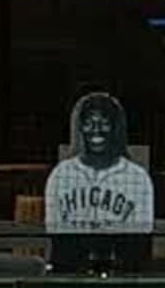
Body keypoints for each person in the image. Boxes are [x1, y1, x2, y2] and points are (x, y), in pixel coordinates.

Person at [43, 91, 155, 235]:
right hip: (72, 255)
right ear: (80, 128)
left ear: (115, 128)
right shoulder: (61, 175)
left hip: (120, 255)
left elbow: (142, 236)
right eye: (89, 123)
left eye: (105, 123)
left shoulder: (137, 178)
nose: (96, 130)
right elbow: (54, 232)